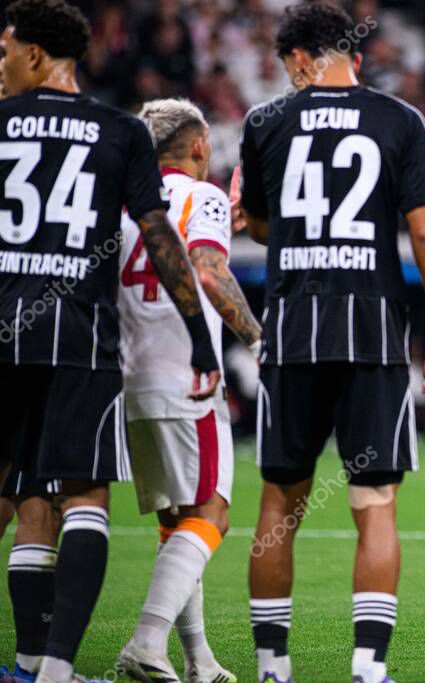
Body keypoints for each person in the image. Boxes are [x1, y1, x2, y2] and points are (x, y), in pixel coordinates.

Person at [0, 2, 221, 682]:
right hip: (80, 337)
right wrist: (201, 341)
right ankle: (57, 671)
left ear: (37, 55)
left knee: (21, 495)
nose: (0, 62)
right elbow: (159, 236)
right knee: (83, 496)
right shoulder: (119, 131)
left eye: (5, 49)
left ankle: (27, 658)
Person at [237, 5, 425, 683]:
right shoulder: (399, 120)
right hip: (373, 327)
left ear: (299, 58)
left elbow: (264, 229)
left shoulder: (264, 122)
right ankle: (367, 669)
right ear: (348, 55)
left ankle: (274, 670)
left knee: (279, 503)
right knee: (375, 501)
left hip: (293, 325)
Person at [115, 98, 262, 683]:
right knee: (212, 515)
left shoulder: (126, 204)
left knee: (178, 521)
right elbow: (207, 269)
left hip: (130, 373)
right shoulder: (201, 197)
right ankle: (146, 642)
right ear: (200, 145)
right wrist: (258, 337)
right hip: (187, 373)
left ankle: (199, 660)